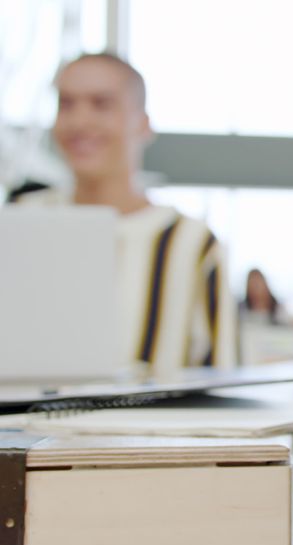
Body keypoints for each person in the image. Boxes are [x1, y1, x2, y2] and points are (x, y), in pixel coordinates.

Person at [12, 52, 235, 374]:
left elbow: (223, 377)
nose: (79, 121)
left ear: (143, 124)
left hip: (151, 425)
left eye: (101, 104)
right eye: (67, 104)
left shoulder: (191, 242)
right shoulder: (19, 223)